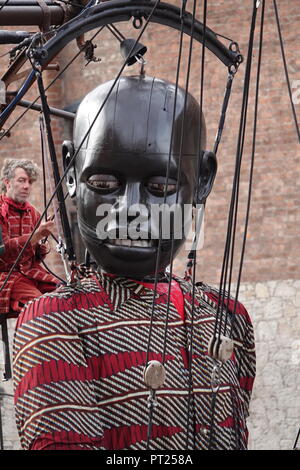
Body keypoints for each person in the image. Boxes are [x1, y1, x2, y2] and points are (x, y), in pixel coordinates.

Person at [13, 76, 255, 450]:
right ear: (72, 172)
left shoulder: (227, 316)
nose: (129, 210)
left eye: (160, 188)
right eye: (105, 182)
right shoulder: (58, 321)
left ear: (202, 179)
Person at [0, 159, 58, 317]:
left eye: (30, 182)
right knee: (40, 305)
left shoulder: (33, 213)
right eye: (21, 180)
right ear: (7, 182)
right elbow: (4, 251)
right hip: (5, 277)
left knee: (64, 296)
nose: (27, 186)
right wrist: (36, 235)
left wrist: (41, 248)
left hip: (31, 273)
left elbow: (33, 259)